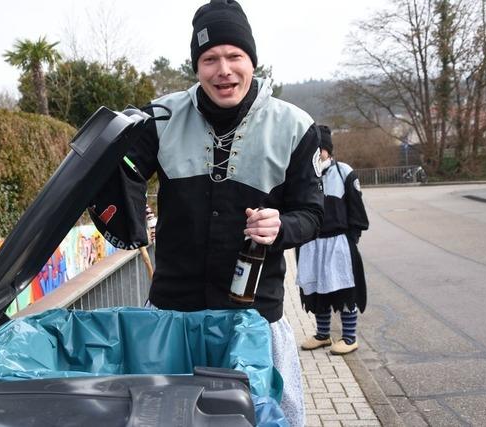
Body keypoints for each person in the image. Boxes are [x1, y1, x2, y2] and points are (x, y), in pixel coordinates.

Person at [92, 1, 324, 424]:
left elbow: (313, 213)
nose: (224, 70)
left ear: (252, 60)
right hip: (172, 313)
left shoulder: (294, 125)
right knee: (166, 417)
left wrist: (282, 226)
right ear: (196, 66)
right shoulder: (160, 117)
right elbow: (118, 169)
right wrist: (129, 219)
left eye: (235, 56)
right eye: (209, 59)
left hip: (255, 316)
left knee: (261, 417)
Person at [296, 125, 369, 355]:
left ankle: (349, 338)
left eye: (320, 149)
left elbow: (356, 209)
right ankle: (323, 334)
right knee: (317, 289)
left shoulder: (344, 172)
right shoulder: (303, 174)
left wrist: (352, 238)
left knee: (344, 288)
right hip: (311, 242)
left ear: (327, 150)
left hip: (338, 242)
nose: (317, 154)